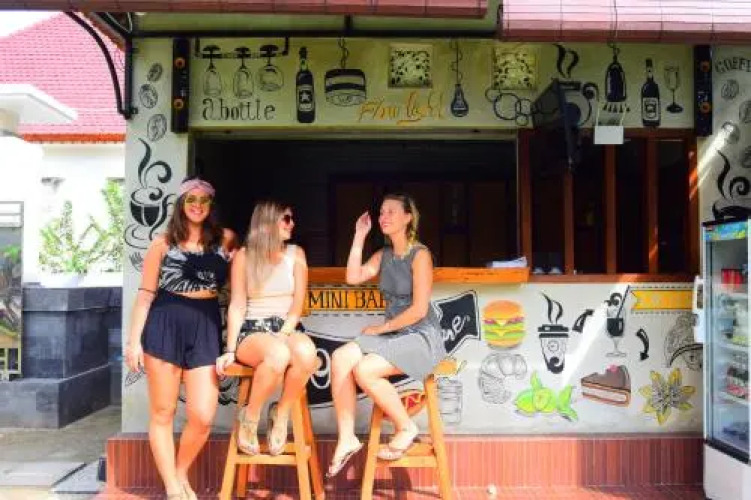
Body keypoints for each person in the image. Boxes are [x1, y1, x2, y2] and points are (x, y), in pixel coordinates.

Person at [124, 177, 236, 500]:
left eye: (203, 200)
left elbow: (244, 277)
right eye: (191, 200)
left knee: (202, 415)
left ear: (211, 205)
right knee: (163, 411)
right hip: (165, 323)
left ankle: (180, 471)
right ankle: (173, 488)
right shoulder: (162, 244)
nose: (197, 206)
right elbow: (145, 294)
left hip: (206, 326)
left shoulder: (226, 240)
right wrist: (133, 342)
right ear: (181, 204)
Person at [327, 193, 446, 477]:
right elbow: (352, 277)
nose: (384, 217)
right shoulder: (384, 255)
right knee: (341, 357)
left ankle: (406, 426)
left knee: (365, 369)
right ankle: (347, 438)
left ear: (408, 217)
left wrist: (380, 329)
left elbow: (419, 310)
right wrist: (359, 235)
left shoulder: (420, 255)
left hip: (420, 335)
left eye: (391, 211)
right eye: (381, 212)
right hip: (393, 335)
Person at [216, 200, 317, 457]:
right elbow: (237, 304)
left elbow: (297, 306)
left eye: (291, 218)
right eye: (286, 219)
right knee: (278, 354)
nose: (292, 224)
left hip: (286, 327)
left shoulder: (296, 254)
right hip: (253, 330)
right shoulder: (244, 256)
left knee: (307, 354)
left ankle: (280, 413)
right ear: (268, 221)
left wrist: (283, 334)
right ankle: (250, 417)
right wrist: (230, 349)